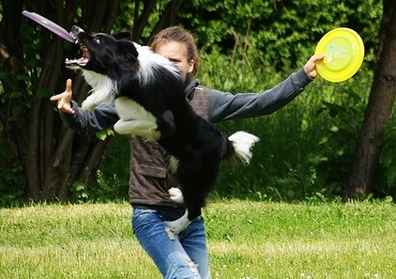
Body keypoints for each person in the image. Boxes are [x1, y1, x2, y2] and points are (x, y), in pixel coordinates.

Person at [51, 26, 323, 279]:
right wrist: (70, 110)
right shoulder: (133, 93)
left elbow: (260, 103)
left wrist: (303, 76)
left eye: (176, 61)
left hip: (190, 220)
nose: (168, 65)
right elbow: (89, 123)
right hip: (150, 215)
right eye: (163, 59)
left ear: (191, 65)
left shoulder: (206, 99)